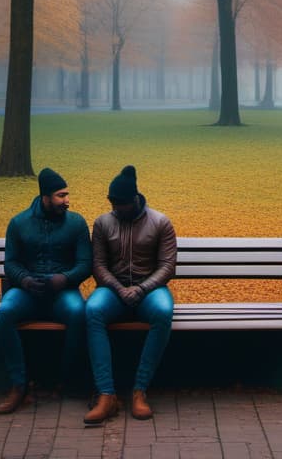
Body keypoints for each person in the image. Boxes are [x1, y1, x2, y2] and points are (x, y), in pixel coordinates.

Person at [83, 165, 176, 425]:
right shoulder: (103, 223)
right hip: (114, 290)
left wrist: (142, 288)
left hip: (151, 289)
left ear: (135, 199)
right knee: (93, 310)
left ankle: (139, 390)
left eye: (120, 204)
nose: (116, 209)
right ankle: (106, 394)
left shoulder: (160, 222)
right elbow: (98, 264)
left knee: (163, 311)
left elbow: (168, 265)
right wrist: (118, 288)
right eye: (112, 203)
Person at [0, 167, 91, 415]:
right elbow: (11, 263)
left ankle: (67, 379)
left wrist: (65, 279)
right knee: (5, 312)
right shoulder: (19, 223)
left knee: (79, 312)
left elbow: (85, 263)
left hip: (62, 292)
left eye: (67, 195)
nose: (67, 201)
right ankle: (18, 384)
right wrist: (25, 280)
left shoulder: (77, 223)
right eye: (61, 195)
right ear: (45, 197)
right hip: (28, 291)